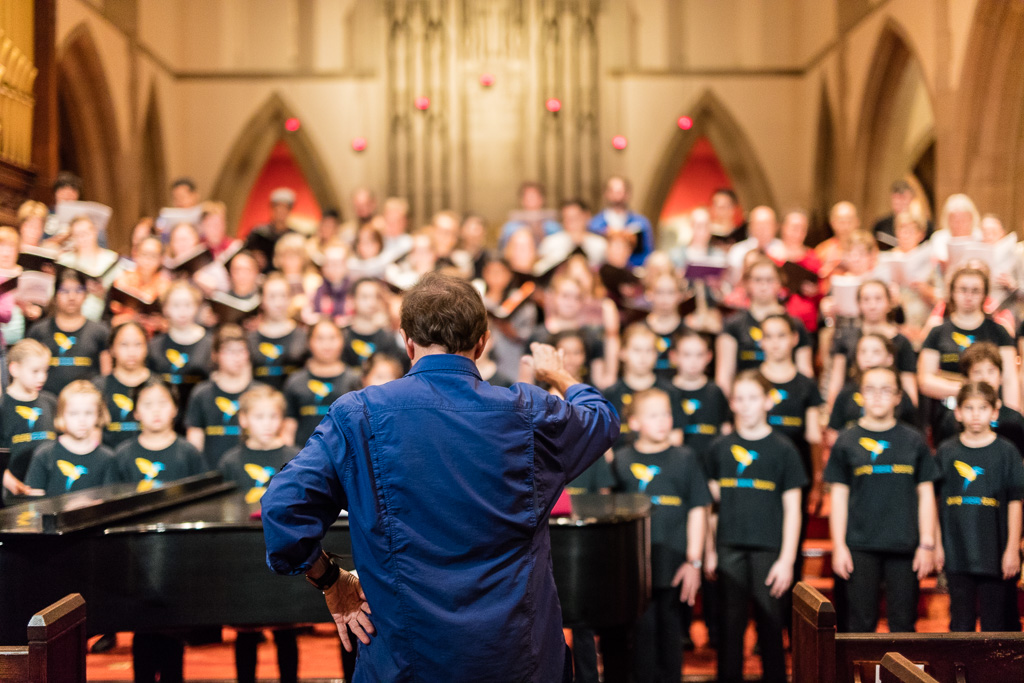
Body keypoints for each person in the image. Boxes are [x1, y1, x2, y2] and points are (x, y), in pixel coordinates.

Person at [261, 273, 619, 682]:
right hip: (516, 658)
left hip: (404, 663)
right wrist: (558, 375)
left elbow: (282, 508)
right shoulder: (526, 411)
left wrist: (329, 579)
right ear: (482, 342)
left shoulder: (359, 414)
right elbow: (602, 420)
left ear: (406, 341)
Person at [705, 370, 805, 683]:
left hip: (769, 548)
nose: (746, 405)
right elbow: (710, 507)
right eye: (740, 399)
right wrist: (710, 550)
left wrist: (787, 559)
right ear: (732, 403)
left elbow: (793, 508)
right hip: (728, 546)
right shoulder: (718, 448)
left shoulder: (784, 449)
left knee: (771, 627)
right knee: (730, 627)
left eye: (753, 398)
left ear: (767, 402)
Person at [106, 377, 206, 683]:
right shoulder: (122, 454)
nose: (156, 411)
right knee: (143, 630)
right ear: (135, 412)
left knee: (172, 631)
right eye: (147, 404)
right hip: (136, 554)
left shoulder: (187, 452)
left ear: (176, 409)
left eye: (163, 403)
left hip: (176, 553)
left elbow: (203, 502)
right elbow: (111, 503)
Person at [826, 366, 938, 633]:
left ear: (898, 396)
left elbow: (926, 494)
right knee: (860, 626)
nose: (877, 396)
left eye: (886, 390)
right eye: (870, 389)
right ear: (861, 395)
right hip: (860, 546)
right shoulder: (846, 440)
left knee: (903, 625)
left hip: (905, 545)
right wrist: (839, 546)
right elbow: (839, 498)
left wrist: (927, 544)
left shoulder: (914, 440)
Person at [611, 388, 709, 683]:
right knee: (640, 635)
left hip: (675, 562)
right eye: (653, 415)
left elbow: (697, 509)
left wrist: (694, 561)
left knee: (671, 634)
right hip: (635, 566)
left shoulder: (685, 457)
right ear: (635, 423)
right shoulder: (621, 459)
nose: (664, 420)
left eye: (666, 413)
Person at [218, 385, 301, 683]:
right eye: (259, 416)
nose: (267, 423)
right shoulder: (230, 461)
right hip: (245, 553)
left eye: (273, 416)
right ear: (243, 420)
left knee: (286, 630)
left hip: (282, 548)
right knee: (246, 632)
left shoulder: (295, 456)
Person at [935, 382, 1024, 632]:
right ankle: (958, 671)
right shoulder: (947, 451)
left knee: (994, 624)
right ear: (958, 412)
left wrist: (1012, 549)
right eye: (969, 408)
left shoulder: (1007, 452)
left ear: (994, 412)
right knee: (960, 623)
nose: (976, 414)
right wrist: (937, 543)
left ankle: (991, 673)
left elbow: (1016, 502)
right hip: (956, 552)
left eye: (983, 408)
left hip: (994, 554)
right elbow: (935, 499)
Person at [918, 265, 1018, 433]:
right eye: (963, 290)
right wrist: (969, 389)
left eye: (975, 290)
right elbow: (925, 381)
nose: (969, 296)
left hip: (992, 412)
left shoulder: (999, 331)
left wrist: (1012, 417)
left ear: (985, 295)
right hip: (949, 414)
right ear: (952, 293)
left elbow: (1009, 379)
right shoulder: (937, 332)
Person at [715, 257, 813, 394]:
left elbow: (805, 371)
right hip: (746, 401)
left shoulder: (795, 324)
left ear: (780, 283)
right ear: (747, 283)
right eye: (757, 280)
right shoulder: (733, 324)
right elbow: (724, 374)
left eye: (769, 280)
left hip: (786, 399)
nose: (763, 286)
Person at [759, 314, 823, 505]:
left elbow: (814, 437)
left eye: (781, 336)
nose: (775, 343)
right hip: (759, 471)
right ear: (761, 341)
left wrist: (817, 482)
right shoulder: (750, 381)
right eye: (768, 336)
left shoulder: (807, 385)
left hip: (797, 472)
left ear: (794, 338)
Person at [826, 279, 918, 411]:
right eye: (866, 300)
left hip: (890, 410)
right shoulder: (846, 337)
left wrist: (910, 414)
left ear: (889, 303)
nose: (872, 305)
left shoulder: (902, 342)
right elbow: (836, 381)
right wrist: (832, 413)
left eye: (878, 299)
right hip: (852, 407)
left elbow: (909, 386)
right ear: (859, 304)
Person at [185, 324, 261, 469]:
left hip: (249, 472)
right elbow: (194, 443)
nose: (237, 357)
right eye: (229, 351)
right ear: (215, 355)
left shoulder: (259, 393)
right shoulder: (201, 394)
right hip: (211, 474)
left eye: (241, 350)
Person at [27, 269, 111, 396]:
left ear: (86, 295)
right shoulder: (38, 331)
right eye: (65, 291)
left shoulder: (100, 331)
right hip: (46, 403)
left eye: (78, 290)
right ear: (55, 296)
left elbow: (107, 376)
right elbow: (27, 371)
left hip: (87, 404)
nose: (72, 297)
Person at [933, 342, 1024, 458]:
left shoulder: (1014, 420)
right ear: (966, 379)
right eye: (977, 372)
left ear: (1000, 377)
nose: (985, 378)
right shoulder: (952, 420)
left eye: (991, 371)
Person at [25, 380, 114, 497]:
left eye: (88, 413)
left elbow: (110, 501)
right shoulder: (44, 454)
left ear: (98, 415)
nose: (82, 420)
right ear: (62, 415)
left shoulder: (107, 458)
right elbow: (33, 500)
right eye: (74, 413)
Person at [282, 319, 361, 448]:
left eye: (332, 338)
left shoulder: (355, 381)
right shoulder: (295, 382)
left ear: (342, 341)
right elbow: (288, 428)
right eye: (320, 338)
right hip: (304, 458)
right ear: (308, 342)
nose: (327, 345)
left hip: (346, 459)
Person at [826, 334, 917, 438]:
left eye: (876, 352)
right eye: (863, 352)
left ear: (889, 358)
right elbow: (833, 434)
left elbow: (913, 434)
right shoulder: (846, 394)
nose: (868, 357)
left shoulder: (899, 395)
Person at [602, 324, 676, 446]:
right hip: (619, 462)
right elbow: (604, 441)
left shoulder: (669, 391)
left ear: (656, 354)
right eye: (637, 350)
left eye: (649, 350)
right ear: (622, 352)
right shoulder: (610, 394)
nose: (643, 357)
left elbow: (675, 437)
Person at [0, 339, 55, 502]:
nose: (42, 378)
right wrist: (8, 481)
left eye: (45, 371)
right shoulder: (3, 405)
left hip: (46, 489)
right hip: (12, 492)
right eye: (35, 371)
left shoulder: (50, 402)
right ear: (14, 369)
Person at [148, 281, 213, 417]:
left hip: (200, 415)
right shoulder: (154, 345)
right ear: (165, 309)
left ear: (197, 307)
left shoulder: (210, 344)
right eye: (176, 305)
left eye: (188, 305)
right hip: (163, 417)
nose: (182, 311)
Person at [97, 322, 151, 450]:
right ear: (112, 349)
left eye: (138, 344)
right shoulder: (98, 388)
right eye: (124, 345)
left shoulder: (158, 386)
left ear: (147, 348)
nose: (131, 351)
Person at [250, 274, 308, 391]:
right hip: (260, 403)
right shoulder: (250, 339)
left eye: (283, 296)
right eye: (272, 297)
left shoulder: (303, 336)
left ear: (290, 298)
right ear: (262, 300)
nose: (278, 302)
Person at [588, 176, 654, 267]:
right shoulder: (595, 225)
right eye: (612, 191)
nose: (617, 196)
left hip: (634, 270)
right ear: (606, 194)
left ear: (628, 194)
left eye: (620, 191)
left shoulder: (641, 224)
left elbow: (647, 254)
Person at [340, 278, 404, 370]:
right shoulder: (342, 336)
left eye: (377, 297)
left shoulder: (387, 338)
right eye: (365, 297)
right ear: (351, 300)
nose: (372, 302)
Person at [538, 198, 606, 268]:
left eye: (575, 218)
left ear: (587, 216)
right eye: (567, 218)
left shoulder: (600, 244)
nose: (571, 223)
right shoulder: (550, 242)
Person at [645, 273, 688, 381]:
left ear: (680, 296)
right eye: (659, 292)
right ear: (650, 294)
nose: (664, 298)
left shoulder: (687, 331)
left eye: (670, 292)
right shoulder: (640, 330)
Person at [725, 206, 783, 285]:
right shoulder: (737, 250)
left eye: (767, 224)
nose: (762, 228)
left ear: (775, 226)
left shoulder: (783, 249)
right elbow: (730, 281)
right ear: (750, 226)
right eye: (758, 224)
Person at [246, 187, 298, 272]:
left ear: (290, 210)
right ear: (272, 209)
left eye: (285, 207)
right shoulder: (258, 233)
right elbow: (245, 253)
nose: (281, 211)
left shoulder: (295, 237)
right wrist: (253, 257)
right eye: (278, 207)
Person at [872, 179, 933, 249]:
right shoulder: (881, 225)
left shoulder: (925, 225)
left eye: (903, 199)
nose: (899, 203)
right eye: (896, 199)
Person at [499, 181, 562, 248]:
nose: (530, 199)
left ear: (542, 199)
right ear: (522, 200)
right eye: (527, 196)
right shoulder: (511, 227)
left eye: (534, 196)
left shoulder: (553, 226)